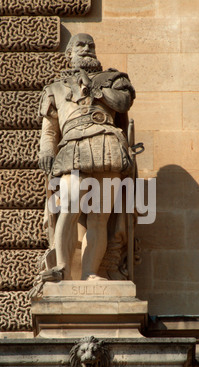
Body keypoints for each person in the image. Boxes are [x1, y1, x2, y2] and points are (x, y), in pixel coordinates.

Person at [38, 33, 136, 282]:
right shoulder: (55, 88)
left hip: (107, 144)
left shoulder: (113, 80)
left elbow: (123, 103)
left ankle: (91, 272)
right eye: (80, 45)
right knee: (68, 208)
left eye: (91, 45)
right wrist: (47, 150)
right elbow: (50, 129)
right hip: (72, 145)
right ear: (69, 54)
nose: (87, 49)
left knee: (100, 217)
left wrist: (97, 90)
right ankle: (61, 267)